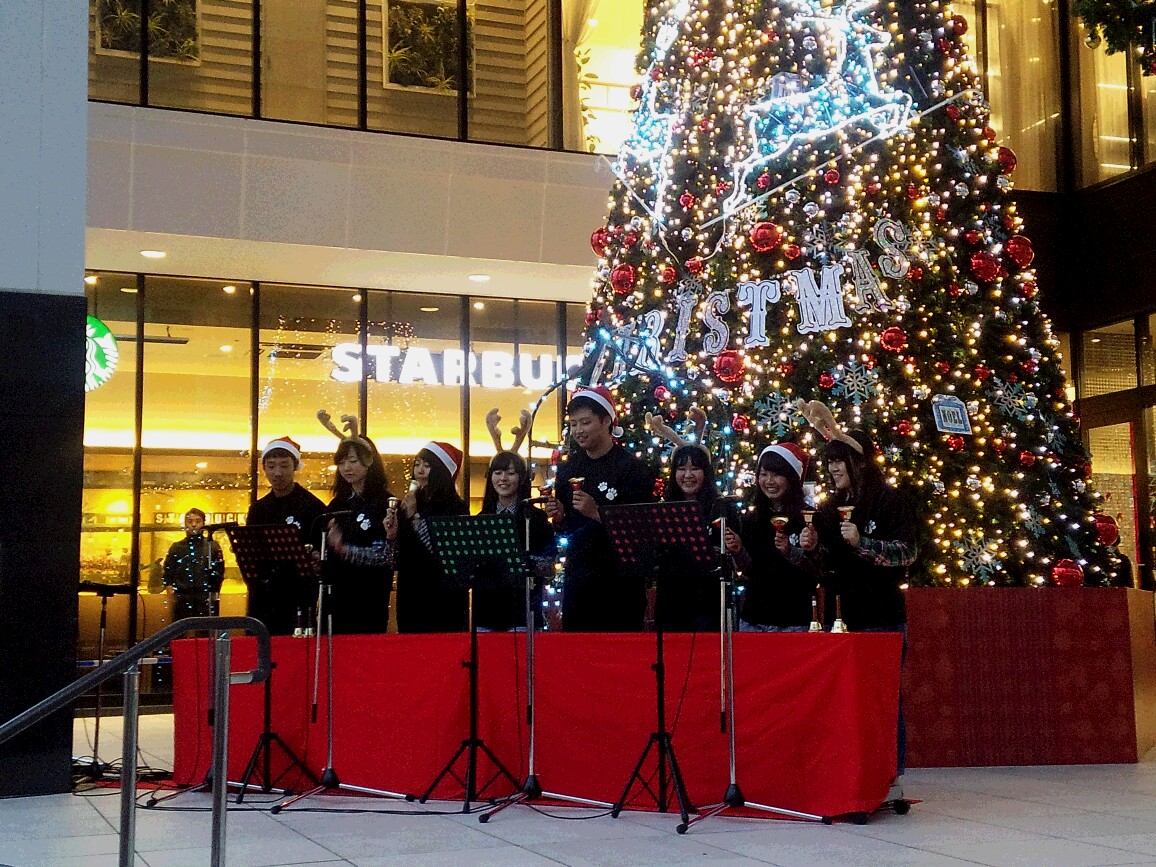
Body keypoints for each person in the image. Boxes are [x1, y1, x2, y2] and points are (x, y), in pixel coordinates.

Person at [811, 425, 916, 791]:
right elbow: (822, 562)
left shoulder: (890, 501)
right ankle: (847, 773)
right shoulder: (827, 508)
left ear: (860, 463)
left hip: (882, 616)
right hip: (839, 617)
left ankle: (890, 777)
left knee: (883, 701)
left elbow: (907, 552)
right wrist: (810, 548)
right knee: (841, 700)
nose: (833, 470)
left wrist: (863, 543)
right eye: (830, 462)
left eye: (840, 461)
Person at [544, 385, 656, 631]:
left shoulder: (632, 469)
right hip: (580, 581)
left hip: (620, 585)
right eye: (573, 424)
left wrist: (597, 512)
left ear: (606, 421)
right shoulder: (568, 469)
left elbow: (640, 530)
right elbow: (566, 531)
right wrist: (560, 518)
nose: (578, 431)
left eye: (585, 422)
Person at [724, 443, 817, 631]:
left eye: (776, 474)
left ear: (791, 477)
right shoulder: (753, 518)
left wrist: (791, 552)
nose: (769, 481)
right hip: (755, 620)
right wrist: (738, 550)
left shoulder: (808, 518)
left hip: (794, 621)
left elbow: (816, 570)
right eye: (764, 474)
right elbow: (749, 570)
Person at [245, 435, 327, 634]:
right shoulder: (258, 509)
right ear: (264, 469)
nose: (278, 473)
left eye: (284, 465)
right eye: (271, 466)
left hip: (299, 595)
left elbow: (321, 555)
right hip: (263, 597)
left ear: (295, 467)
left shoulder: (313, 507)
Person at [321, 425, 396, 635]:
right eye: (342, 462)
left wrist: (344, 549)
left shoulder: (385, 503)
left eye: (353, 461)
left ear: (370, 462)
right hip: (336, 600)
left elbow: (384, 556)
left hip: (369, 600)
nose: (346, 467)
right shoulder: (337, 504)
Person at [390, 441, 469, 633]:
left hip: (443, 594)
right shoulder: (409, 502)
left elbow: (442, 550)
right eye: (417, 464)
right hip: (411, 590)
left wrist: (415, 518)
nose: (420, 470)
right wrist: (392, 535)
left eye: (427, 465)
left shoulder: (455, 507)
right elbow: (396, 557)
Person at [474, 449, 555, 631]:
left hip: (523, 612)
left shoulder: (535, 518)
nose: (503, 479)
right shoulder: (482, 518)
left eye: (510, 473)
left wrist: (529, 563)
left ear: (521, 478)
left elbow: (549, 565)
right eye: (498, 473)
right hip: (486, 613)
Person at [660, 444, 738, 631]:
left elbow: (732, 555)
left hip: (708, 598)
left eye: (695, 468)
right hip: (672, 597)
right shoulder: (664, 509)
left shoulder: (721, 506)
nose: (688, 475)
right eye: (681, 469)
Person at [162, 508, 224, 620]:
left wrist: (215, 594)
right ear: (185, 524)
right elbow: (168, 573)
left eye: (198, 521)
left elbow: (219, 574)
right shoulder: (176, 547)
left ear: (204, 523)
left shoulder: (212, 546)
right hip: (182, 597)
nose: (194, 525)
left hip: (205, 598)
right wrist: (171, 593)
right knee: (179, 633)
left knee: (204, 633)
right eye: (190, 522)